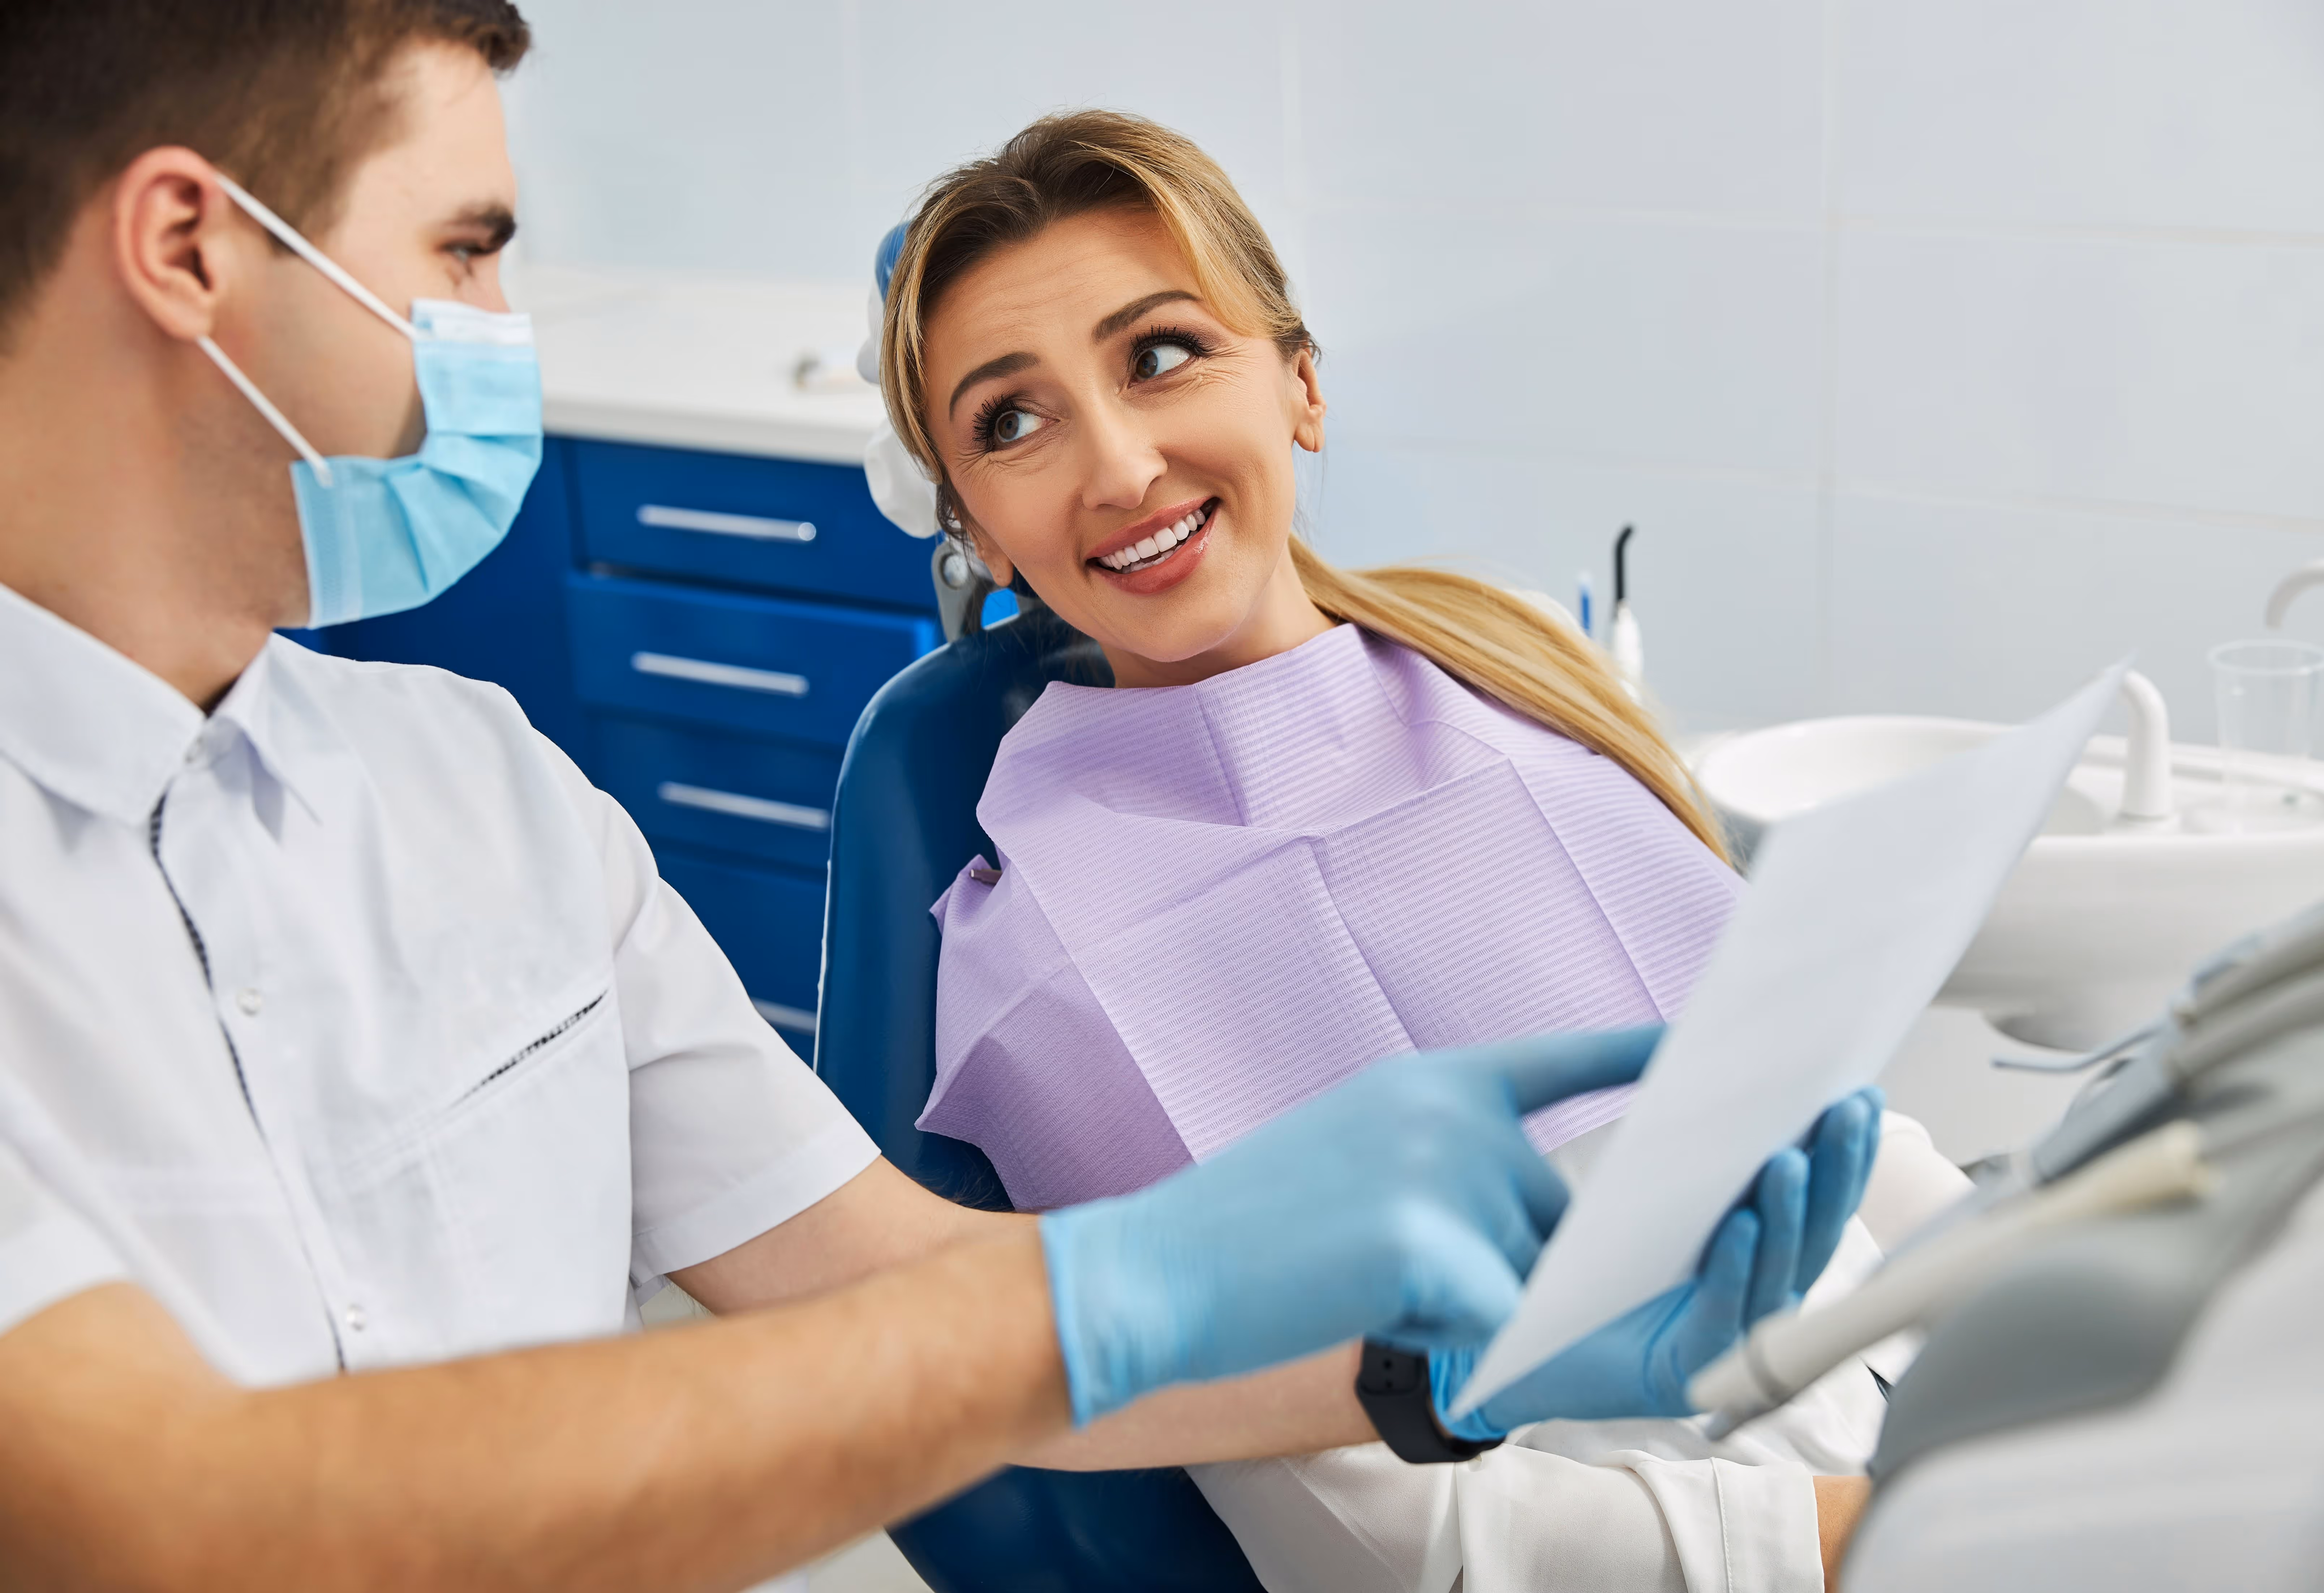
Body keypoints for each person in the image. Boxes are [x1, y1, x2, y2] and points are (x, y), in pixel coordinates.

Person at [0, 6, 1885, 1589]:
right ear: (190, 249)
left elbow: (886, 1291)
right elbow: (160, 1508)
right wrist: (1133, 1284)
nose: (509, 327)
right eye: (470, 252)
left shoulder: (492, 806)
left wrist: (1421, 1367)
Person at [874, 111, 1973, 1592]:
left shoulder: (1508, 673)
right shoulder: (1058, 960)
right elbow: (1371, 1538)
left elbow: (1829, 1135)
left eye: (1159, 353)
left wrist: (2068, 1302)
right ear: (979, 532)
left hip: (1948, 1427)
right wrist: (1878, 1540)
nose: (1120, 465)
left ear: (1301, 383)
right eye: (1010, 422)